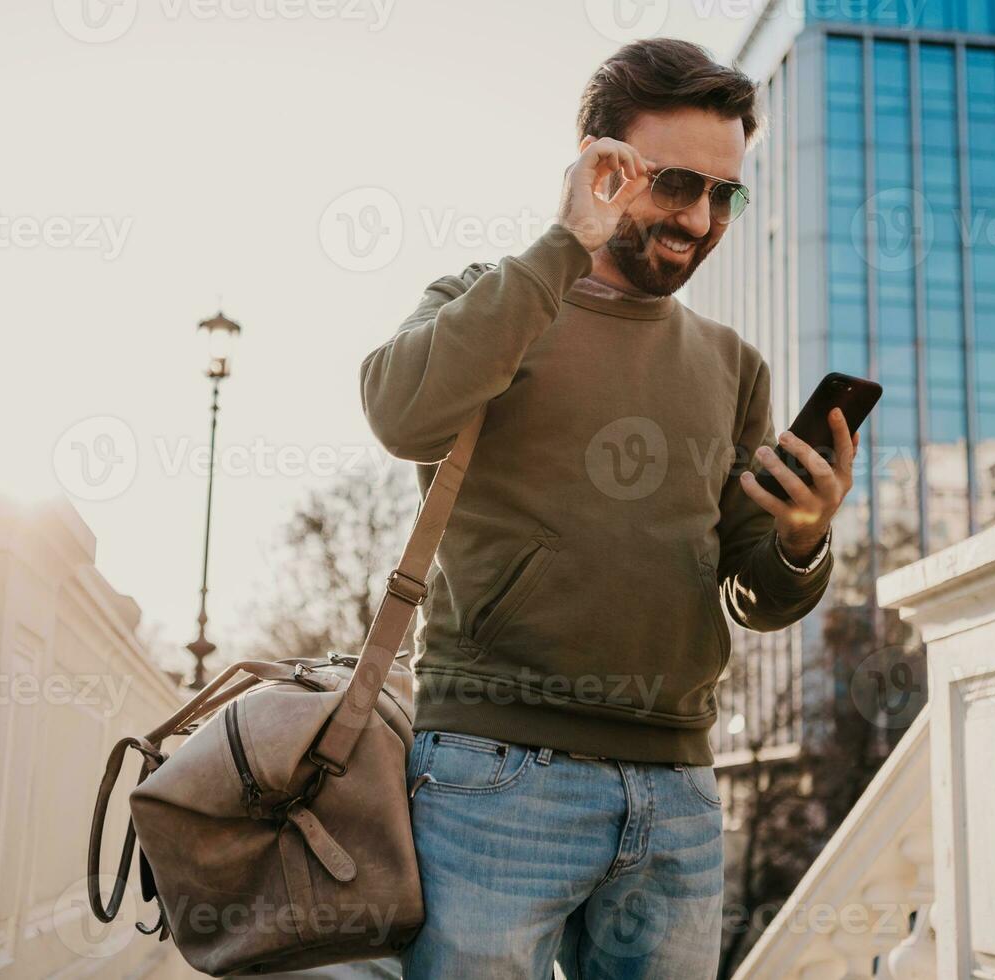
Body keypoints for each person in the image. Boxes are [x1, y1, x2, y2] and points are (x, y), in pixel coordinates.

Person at [355, 37, 859, 980]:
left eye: (725, 195)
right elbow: (401, 413)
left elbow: (754, 591)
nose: (701, 218)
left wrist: (800, 539)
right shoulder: (486, 299)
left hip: (680, 794)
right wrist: (563, 243)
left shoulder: (732, 362)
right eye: (676, 184)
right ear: (602, 165)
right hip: (490, 776)